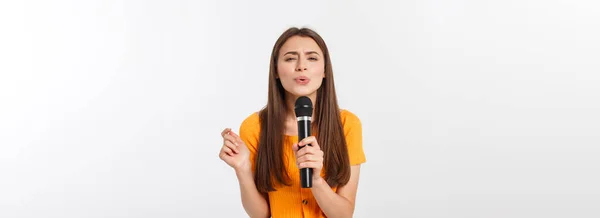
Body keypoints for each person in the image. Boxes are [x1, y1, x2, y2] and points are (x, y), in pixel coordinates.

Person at [218, 27, 366, 218]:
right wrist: (243, 169)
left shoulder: (347, 124)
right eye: (290, 58)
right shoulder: (255, 127)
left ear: (325, 71)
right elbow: (261, 214)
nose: (301, 66)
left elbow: (344, 214)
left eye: (312, 58)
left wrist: (316, 181)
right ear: (276, 71)